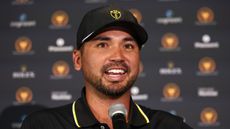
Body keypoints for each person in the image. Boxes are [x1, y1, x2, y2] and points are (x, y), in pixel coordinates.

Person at [21, 5, 193, 129]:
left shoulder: (170, 126)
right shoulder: (42, 125)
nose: (118, 56)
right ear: (77, 59)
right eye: (103, 45)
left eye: (128, 46)